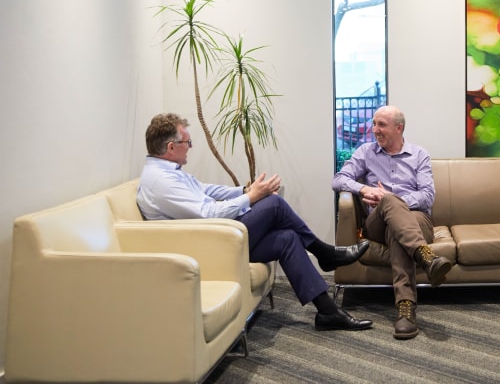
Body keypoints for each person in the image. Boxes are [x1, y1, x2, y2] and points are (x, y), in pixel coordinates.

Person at [137, 113, 372, 331]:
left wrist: (244, 190)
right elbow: (208, 213)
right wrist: (251, 197)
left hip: (215, 237)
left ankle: (328, 312)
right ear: (170, 147)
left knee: (287, 239)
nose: (190, 147)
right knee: (275, 204)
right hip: (208, 246)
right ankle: (325, 252)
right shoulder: (161, 181)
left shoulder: (170, 172)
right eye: (187, 142)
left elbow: (205, 189)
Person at [332, 106, 452, 340]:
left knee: (396, 226)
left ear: (399, 128)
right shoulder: (366, 152)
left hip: (417, 219)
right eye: (374, 124)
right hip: (377, 222)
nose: (374, 129)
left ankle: (406, 310)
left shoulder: (419, 155)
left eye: (381, 125)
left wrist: (393, 199)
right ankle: (425, 256)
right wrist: (366, 189)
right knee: (388, 203)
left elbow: (427, 196)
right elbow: (338, 180)